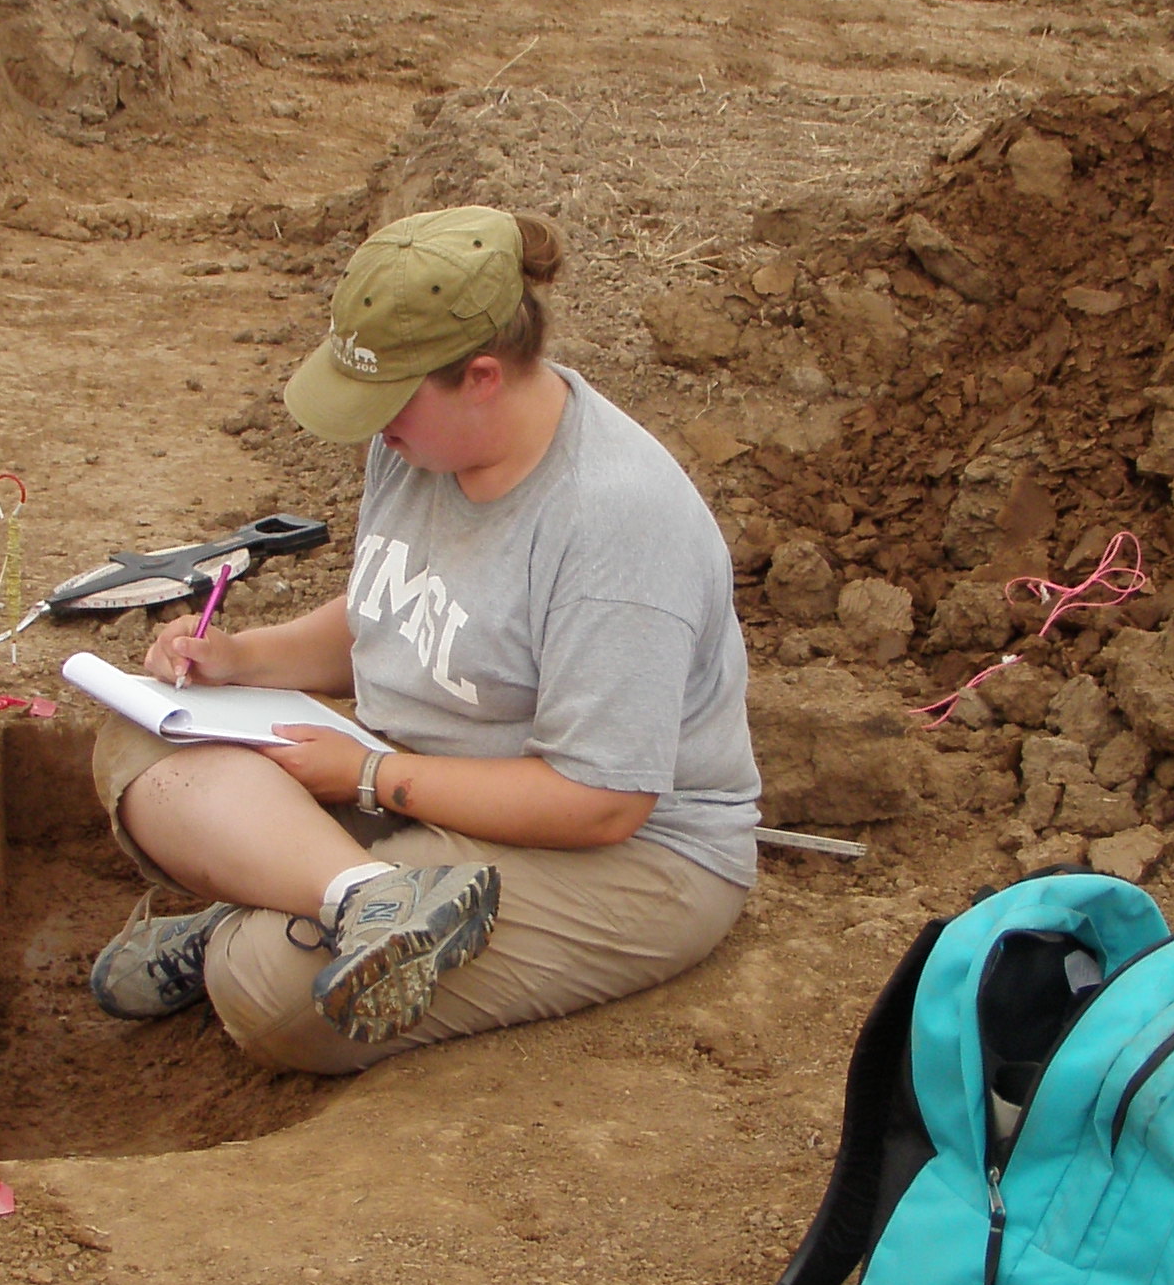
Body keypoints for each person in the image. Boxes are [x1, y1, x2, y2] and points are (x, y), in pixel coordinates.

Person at [84, 205, 760, 1068]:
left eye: (390, 403)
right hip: (428, 784)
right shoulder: (420, 446)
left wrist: (369, 775)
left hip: (634, 858)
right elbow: (395, 610)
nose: (375, 429)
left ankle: (267, 909)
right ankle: (359, 895)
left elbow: (602, 804)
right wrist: (239, 659)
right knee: (144, 731)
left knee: (271, 994)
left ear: (481, 377)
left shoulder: (613, 524)